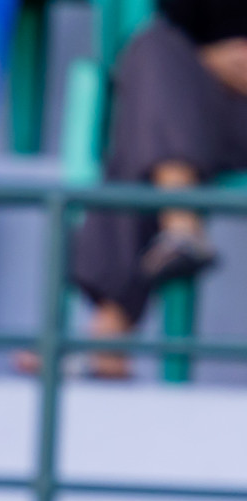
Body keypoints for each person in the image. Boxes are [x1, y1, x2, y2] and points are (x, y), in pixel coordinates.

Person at [68, 0, 247, 379]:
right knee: (153, 50)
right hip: (208, 105)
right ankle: (179, 224)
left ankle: (109, 331)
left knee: (143, 142)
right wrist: (212, 57)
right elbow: (179, 19)